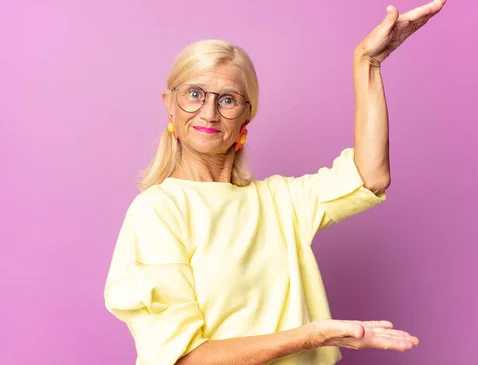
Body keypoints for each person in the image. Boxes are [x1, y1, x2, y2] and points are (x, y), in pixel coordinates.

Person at [103, 2, 446, 364]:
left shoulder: (279, 201)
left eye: (228, 99)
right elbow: (185, 359)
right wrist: (309, 335)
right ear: (169, 105)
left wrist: (367, 63)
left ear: (246, 114)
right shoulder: (158, 212)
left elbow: (370, 175)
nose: (208, 112)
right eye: (194, 94)